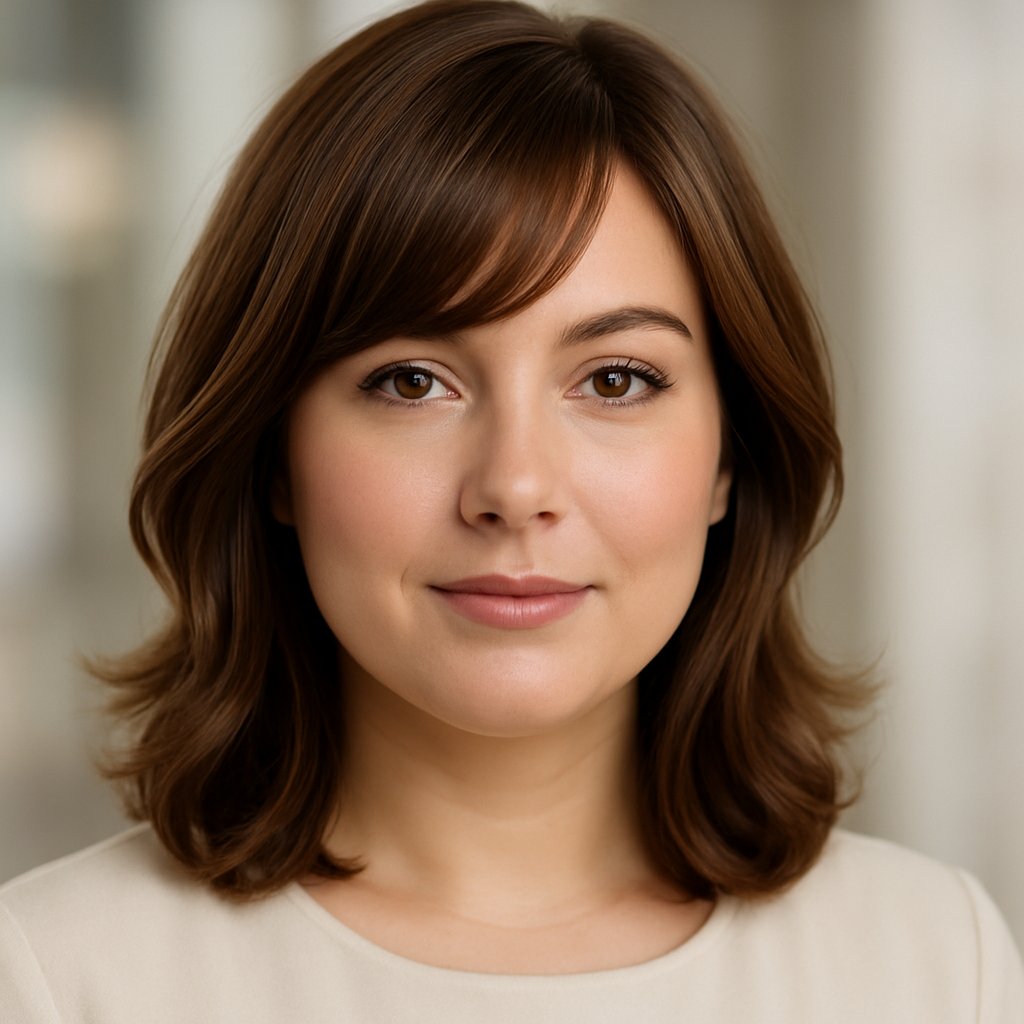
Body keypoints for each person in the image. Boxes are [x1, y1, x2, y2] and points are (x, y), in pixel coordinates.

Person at [2, 0, 1022, 1019]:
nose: (516, 487)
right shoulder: (57, 976)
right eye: (410, 381)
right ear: (272, 453)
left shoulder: (934, 963)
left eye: (616, 380)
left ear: (730, 456)